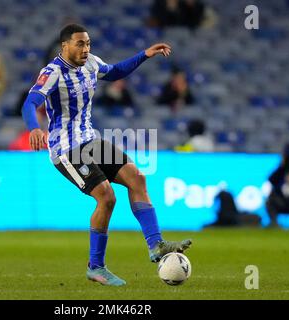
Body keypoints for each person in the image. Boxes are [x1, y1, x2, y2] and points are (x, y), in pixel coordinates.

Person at [21, 24, 192, 286]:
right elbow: (30, 102)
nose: (85, 49)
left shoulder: (91, 63)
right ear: (64, 45)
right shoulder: (52, 72)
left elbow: (114, 72)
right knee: (106, 196)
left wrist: (144, 54)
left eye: (88, 43)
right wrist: (34, 127)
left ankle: (156, 245)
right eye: (80, 44)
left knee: (137, 178)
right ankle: (96, 266)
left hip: (90, 139)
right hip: (66, 148)